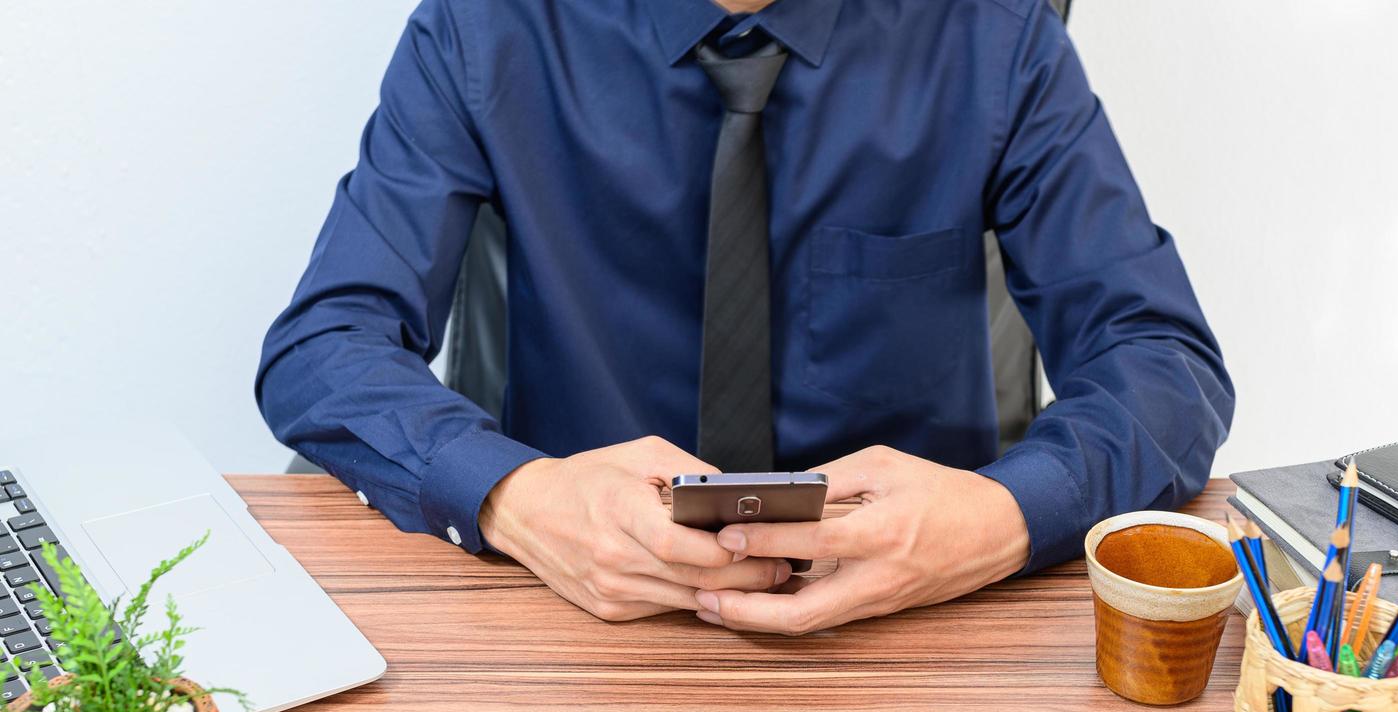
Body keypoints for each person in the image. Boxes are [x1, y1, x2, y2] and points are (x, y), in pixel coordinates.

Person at [256, 0, 1234, 635]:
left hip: (914, 640)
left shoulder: (995, 34)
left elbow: (1162, 360)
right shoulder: (484, 27)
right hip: (572, 627)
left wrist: (1003, 516)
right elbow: (324, 347)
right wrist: (518, 498)